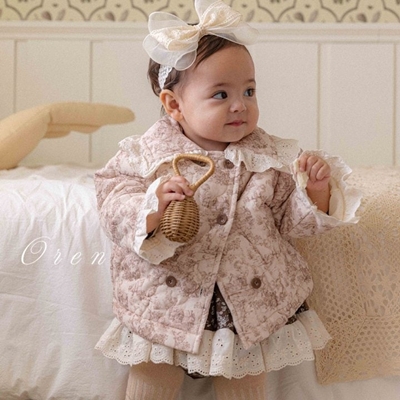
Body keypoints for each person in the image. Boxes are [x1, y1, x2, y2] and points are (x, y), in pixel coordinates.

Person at [94, 0, 361, 399]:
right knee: (153, 372)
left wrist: (316, 191)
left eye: (249, 91)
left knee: (244, 376)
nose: (240, 104)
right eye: (220, 94)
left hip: (248, 298)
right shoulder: (147, 156)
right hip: (168, 294)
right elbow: (112, 198)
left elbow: (292, 219)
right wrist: (153, 206)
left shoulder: (269, 159)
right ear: (174, 105)